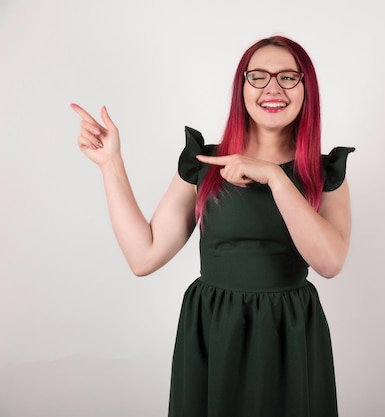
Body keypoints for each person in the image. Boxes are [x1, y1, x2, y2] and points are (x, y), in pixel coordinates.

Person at [71, 35, 354, 417]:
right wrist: (111, 164)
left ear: (307, 89)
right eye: (258, 76)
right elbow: (144, 256)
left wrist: (275, 177)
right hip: (214, 327)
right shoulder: (205, 163)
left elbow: (330, 262)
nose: (273, 87)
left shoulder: (324, 173)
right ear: (241, 88)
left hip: (289, 332)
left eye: (289, 77)